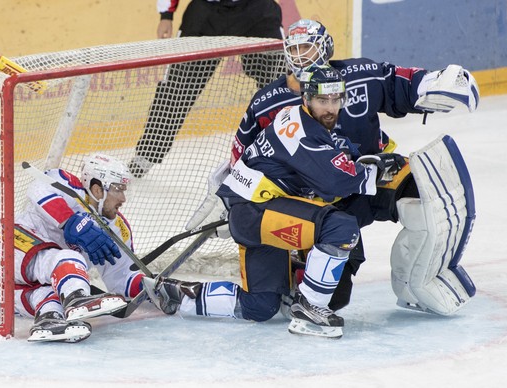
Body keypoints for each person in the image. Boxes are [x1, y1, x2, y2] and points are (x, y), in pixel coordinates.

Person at [192, 19, 479, 312]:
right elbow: (245, 155)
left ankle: (416, 284)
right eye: (295, 49)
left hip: (363, 178)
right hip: (310, 200)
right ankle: (290, 279)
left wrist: (431, 84)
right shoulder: (266, 103)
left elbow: (396, 82)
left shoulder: (359, 76)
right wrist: (227, 197)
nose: (301, 56)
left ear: (326, 49)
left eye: (308, 47)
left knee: (427, 193)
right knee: (335, 297)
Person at [143, 65, 407, 338]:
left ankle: (179, 296)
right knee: (341, 227)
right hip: (256, 211)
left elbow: (334, 153)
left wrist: (371, 159)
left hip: (259, 211)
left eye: (335, 100)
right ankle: (310, 306)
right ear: (306, 99)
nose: (330, 108)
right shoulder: (301, 133)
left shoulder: (302, 119)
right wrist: (373, 171)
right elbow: (333, 182)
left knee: (260, 306)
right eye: (322, 101)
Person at [0, 153, 145, 343]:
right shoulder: (68, 185)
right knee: (70, 258)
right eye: (117, 190)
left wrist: (151, 287)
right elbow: (37, 187)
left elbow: (121, 278)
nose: (123, 198)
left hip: (6, 293)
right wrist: (69, 221)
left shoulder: (117, 229)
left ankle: (49, 321)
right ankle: (77, 299)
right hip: (4, 249)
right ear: (98, 189)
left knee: (51, 296)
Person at [128, 0, 284, 178]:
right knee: (176, 87)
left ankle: (282, 153)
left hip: (257, 10)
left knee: (278, 87)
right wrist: (166, 15)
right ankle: (146, 155)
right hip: (205, 13)